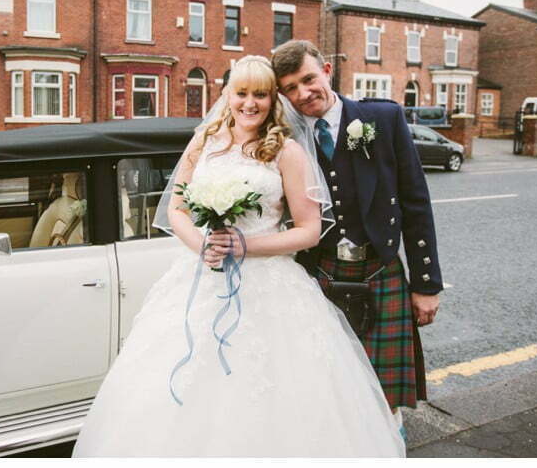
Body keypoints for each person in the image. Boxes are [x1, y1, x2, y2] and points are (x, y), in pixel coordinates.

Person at [72, 56, 404, 457]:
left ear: (272, 100)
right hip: (203, 279)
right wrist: (202, 246)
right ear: (226, 95)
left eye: (261, 94)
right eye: (241, 93)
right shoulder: (204, 143)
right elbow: (177, 210)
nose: (250, 103)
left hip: (271, 286)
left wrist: (246, 246)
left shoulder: (287, 151)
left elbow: (309, 230)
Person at [270, 39, 443, 429]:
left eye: (309, 79)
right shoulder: (283, 138)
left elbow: (416, 203)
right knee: (329, 388)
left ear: (327, 71)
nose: (303, 93)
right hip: (319, 275)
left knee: (385, 397)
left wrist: (427, 284)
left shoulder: (383, 119)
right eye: (290, 88)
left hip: (380, 269)